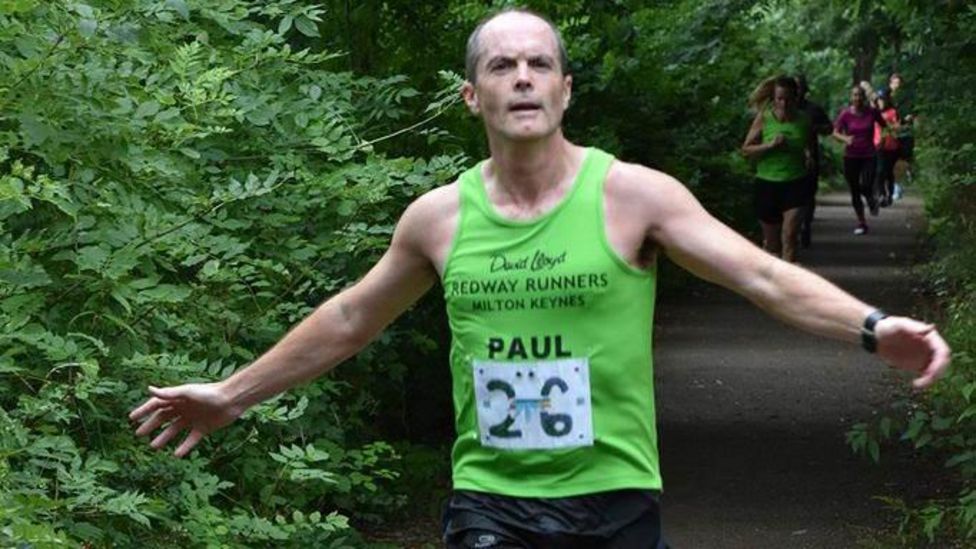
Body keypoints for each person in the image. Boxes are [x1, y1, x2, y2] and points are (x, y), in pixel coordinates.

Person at [130, 9, 951, 548]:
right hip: (490, 500)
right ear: (471, 94)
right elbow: (351, 319)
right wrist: (232, 394)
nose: (520, 76)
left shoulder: (633, 196)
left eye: (537, 63)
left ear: (564, 88)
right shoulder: (437, 218)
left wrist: (874, 328)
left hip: (618, 497)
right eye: (500, 65)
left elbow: (763, 277)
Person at [741, 76, 814, 262]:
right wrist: (770, 146)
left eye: (788, 99)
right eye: (780, 98)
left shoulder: (804, 121)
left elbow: (809, 145)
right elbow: (746, 150)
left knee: (789, 236)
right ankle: (772, 284)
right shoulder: (764, 118)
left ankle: (789, 286)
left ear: (796, 98)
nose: (784, 103)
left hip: (796, 183)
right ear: (774, 98)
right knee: (772, 246)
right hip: (767, 184)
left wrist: (808, 156)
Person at [833, 85, 886, 235]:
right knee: (855, 190)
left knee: (866, 185)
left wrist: (881, 139)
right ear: (851, 97)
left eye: (860, 95)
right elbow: (835, 132)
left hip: (869, 155)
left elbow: (884, 126)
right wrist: (845, 138)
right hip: (851, 156)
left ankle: (871, 199)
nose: (857, 98)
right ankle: (862, 222)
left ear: (864, 97)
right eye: (855, 95)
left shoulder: (872, 112)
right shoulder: (845, 114)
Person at [794, 75, 834, 248]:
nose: (797, 91)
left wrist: (814, 128)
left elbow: (829, 128)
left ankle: (806, 225)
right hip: (785, 159)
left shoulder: (813, 109)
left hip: (810, 157)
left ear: (805, 90)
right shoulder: (780, 108)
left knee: (808, 194)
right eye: (794, 87)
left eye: (800, 87)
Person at [886, 73, 914, 199]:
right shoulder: (885, 99)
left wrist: (909, 119)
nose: (897, 86)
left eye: (899, 83)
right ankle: (894, 186)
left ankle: (898, 185)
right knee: (891, 162)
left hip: (905, 134)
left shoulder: (907, 99)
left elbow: (913, 115)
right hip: (890, 135)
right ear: (890, 84)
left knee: (902, 161)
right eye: (895, 83)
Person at [874, 93, 901, 207]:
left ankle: (890, 194)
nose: (880, 102)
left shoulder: (892, 112)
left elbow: (897, 127)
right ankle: (881, 194)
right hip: (878, 145)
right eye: (879, 100)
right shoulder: (874, 112)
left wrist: (888, 124)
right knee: (879, 171)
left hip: (891, 146)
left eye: (882, 100)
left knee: (888, 172)